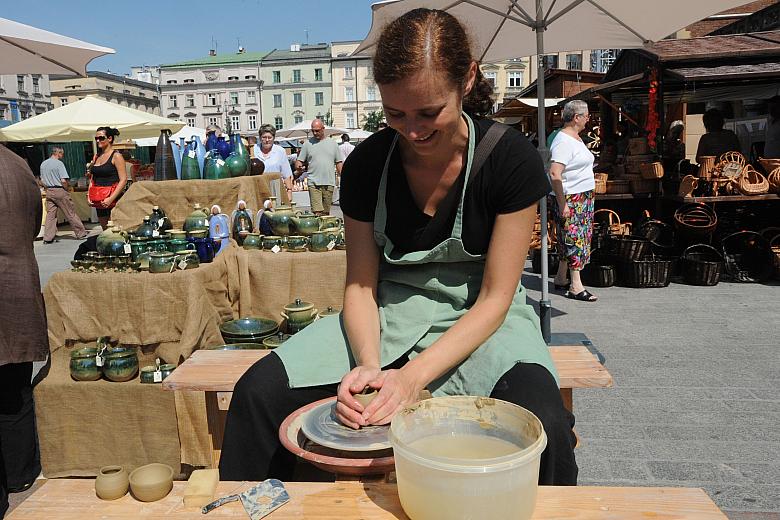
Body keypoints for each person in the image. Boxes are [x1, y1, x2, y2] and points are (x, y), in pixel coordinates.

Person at [220, 8, 577, 486]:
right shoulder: (369, 163)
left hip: (484, 322)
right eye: (395, 114)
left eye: (429, 112)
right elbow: (361, 287)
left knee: (545, 426)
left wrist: (410, 379)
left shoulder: (509, 160)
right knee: (257, 393)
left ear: (467, 80)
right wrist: (370, 366)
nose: (412, 131)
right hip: (388, 317)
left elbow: (495, 299)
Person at [0, 144, 48, 517]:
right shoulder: (18, 164)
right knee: (14, 388)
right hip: (17, 286)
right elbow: (33, 226)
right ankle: (20, 472)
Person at [549, 100, 598, 302]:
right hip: (571, 197)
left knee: (567, 238)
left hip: (582, 196)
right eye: (586, 115)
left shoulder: (575, 138)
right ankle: (576, 285)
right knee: (575, 239)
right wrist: (563, 203)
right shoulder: (563, 141)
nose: (588, 119)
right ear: (576, 117)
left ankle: (561, 277)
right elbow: (555, 173)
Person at [37, 147, 88, 244]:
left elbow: (41, 180)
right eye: (62, 153)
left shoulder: (43, 164)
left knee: (50, 215)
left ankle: (48, 237)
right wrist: (66, 189)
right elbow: (63, 180)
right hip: (59, 190)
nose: (63, 156)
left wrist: (47, 187)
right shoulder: (59, 164)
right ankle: (81, 233)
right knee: (70, 212)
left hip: (49, 191)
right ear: (58, 153)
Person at [295, 120, 343, 215]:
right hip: (313, 182)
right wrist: (298, 167)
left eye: (317, 130)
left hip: (329, 182)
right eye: (313, 131)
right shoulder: (307, 144)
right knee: (317, 212)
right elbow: (298, 161)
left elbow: (339, 163)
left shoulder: (333, 144)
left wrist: (344, 178)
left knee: (325, 213)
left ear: (323, 129)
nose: (315, 133)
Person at [88, 127, 127, 230]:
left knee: (115, 231)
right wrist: (89, 195)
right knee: (105, 231)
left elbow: (123, 180)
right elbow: (93, 178)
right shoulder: (96, 156)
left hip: (113, 198)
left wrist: (111, 199)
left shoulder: (116, 156)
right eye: (96, 138)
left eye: (101, 138)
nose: (98, 141)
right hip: (99, 198)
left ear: (109, 138)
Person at [253, 125, 293, 199]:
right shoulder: (254, 149)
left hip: (275, 186)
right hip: (257, 187)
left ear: (274, 138)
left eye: (269, 137)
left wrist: (289, 191)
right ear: (260, 138)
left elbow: (286, 173)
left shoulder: (280, 151)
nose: (267, 140)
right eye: (264, 137)